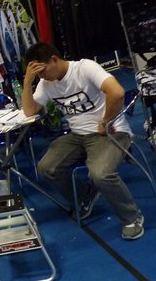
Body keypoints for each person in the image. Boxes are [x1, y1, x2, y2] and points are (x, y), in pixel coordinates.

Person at [22, 42, 144, 240]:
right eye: (37, 74)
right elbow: (29, 111)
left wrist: (106, 121)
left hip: (110, 132)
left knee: (100, 174)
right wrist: (28, 82)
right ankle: (85, 196)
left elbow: (117, 92)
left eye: (42, 71)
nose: (41, 76)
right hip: (77, 135)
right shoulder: (46, 84)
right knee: (46, 168)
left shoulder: (84, 68)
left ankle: (132, 217)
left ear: (54, 59)